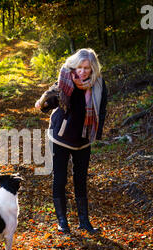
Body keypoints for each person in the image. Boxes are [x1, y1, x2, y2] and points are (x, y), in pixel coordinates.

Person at [35, 48, 108, 235]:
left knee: (80, 179)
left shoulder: (98, 84)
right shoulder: (65, 80)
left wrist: (95, 134)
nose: (83, 72)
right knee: (60, 178)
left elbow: (101, 110)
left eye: (87, 68)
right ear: (73, 66)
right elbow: (50, 102)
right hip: (60, 137)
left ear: (93, 69)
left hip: (83, 138)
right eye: (80, 67)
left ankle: (84, 221)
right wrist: (43, 100)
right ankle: (62, 222)